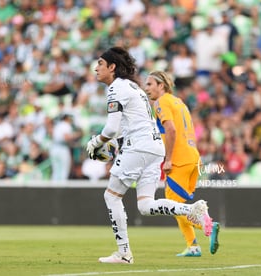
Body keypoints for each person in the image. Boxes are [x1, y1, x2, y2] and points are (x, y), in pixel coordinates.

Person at [86, 46, 214, 264]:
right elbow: (127, 126)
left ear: (112, 67)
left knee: (111, 196)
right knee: (146, 205)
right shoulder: (134, 88)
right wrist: (114, 146)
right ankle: (191, 209)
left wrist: (96, 142)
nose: (96, 68)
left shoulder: (116, 88)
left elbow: (111, 129)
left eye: (100, 63)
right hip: (155, 149)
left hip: (138, 147)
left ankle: (124, 253)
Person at [144, 70, 220, 257]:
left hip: (179, 160)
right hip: (193, 158)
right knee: (179, 205)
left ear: (161, 86)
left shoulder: (161, 102)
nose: (146, 89)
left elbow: (170, 130)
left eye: (150, 84)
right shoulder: (179, 102)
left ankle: (205, 222)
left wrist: (168, 159)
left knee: (173, 206)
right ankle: (193, 246)